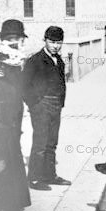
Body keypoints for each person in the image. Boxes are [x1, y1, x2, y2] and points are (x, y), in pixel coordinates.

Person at [22, 26, 71, 190]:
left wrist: (60, 102)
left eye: (59, 43)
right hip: (41, 106)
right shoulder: (35, 60)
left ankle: (50, 176)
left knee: (52, 142)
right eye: (52, 42)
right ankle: (34, 179)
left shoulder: (59, 60)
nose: (56, 46)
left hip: (56, 105)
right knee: (40, 143)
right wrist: (35, 104)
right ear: (45, 41)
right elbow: (24, 86)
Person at [0, 19, 30, 211]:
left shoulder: (14, 69)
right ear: (1, 41)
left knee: (10, 195)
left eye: (18, 39)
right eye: (10, 39)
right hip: (0, 143)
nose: (15, 43)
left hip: (12, 139)